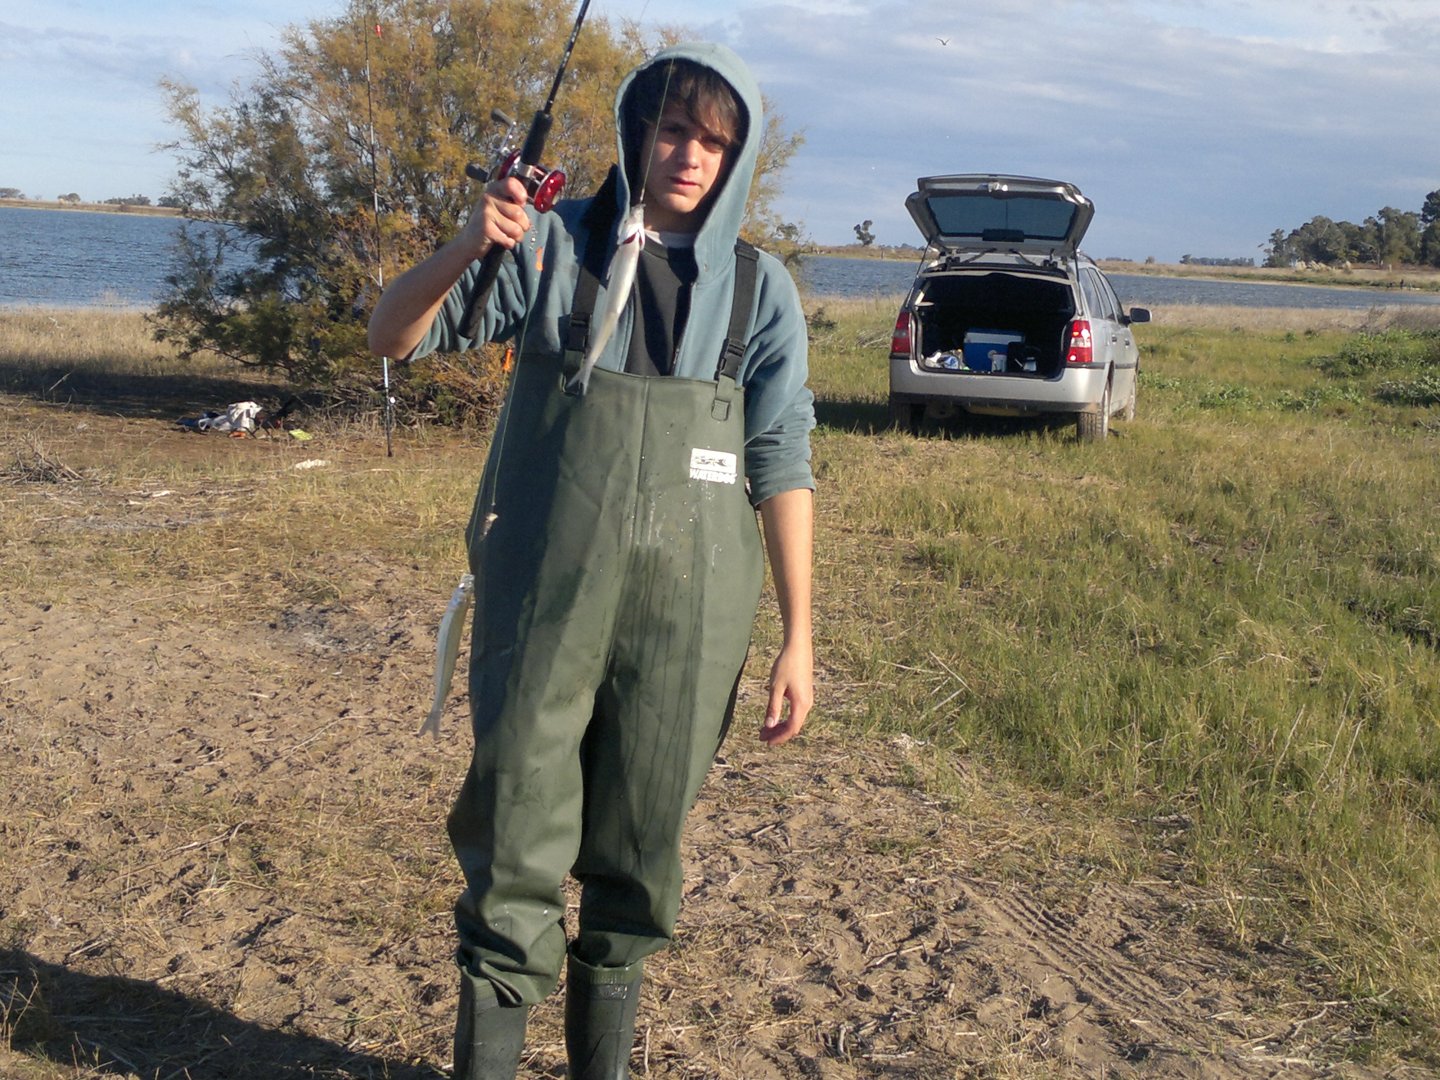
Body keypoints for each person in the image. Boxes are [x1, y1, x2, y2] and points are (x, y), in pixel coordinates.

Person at [368, 42, 815, 1080]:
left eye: (715, 141)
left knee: (641, 847)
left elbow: (782, 462)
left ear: (738, 156)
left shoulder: (759, 293)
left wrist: (800, 636)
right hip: (545, 595)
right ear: (634, 134)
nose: (690, 157)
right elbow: (391, 335)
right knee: (515, 828)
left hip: (690, 615)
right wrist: (466, 243)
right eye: (673, 130)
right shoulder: (553, 246)